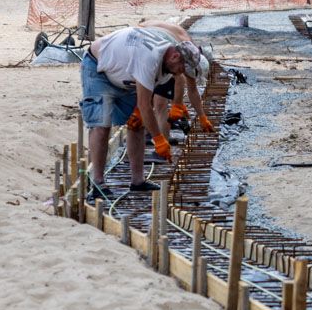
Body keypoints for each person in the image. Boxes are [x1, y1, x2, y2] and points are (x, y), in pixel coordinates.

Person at [79, 22, 215, 201]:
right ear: (175, 57)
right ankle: (98, 183)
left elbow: (147, 101)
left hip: (125, 75)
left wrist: (187, 111)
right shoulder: (150, 58)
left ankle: (137, 181)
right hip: (99, 68)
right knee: (101, 125)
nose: (180, 73)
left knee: (137, 124)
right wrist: (159, 139)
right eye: (182, 69)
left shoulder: (168, 66)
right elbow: (146, 105)